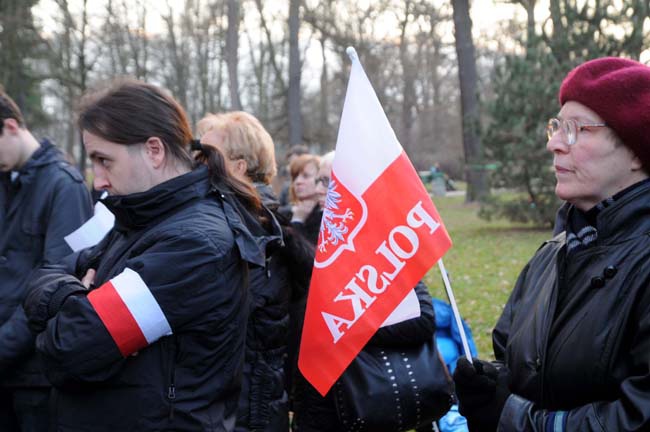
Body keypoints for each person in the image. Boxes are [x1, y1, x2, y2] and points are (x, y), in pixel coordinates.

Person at [22, 80, 262, 431]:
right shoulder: (141, 217)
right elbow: (48, 272)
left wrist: (75, 302)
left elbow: (69, 348)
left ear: (154, 150)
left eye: (104, 161)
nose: (98, 180)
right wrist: (80, 299)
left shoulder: (193, 245)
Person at [453, 57, 650, 431]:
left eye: (576, 129)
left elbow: (638, 417)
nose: (555, 144)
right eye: (556, 127)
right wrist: (490, 385)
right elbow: (509, 352)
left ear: (637, 150)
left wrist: (514, 418)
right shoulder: (552, 254)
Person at [291, 151, 437, 431]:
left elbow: (423, 319)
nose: (319, 190)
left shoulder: (384, 247)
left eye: (327, 181)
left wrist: (351, 331)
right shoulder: (314, 236)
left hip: (369, 400)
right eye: (319, 181)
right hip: (316, 401)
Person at [197, 111, 314, 432]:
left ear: (238, 167)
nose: (195, 164)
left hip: (246, 411)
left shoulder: (255, 231)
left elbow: (243, 326)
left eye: (205, 156)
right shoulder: (230, 222)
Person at [0, 89, 92, 431]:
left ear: (11, 126)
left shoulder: (64, 186)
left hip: (36, 378)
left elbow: (57, 286)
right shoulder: (6, 180)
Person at [279, 154, 322, 244]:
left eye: (306, 176)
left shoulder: (326, 218)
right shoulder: (286, 214)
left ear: (320, 179)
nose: (298, 181)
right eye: (295, 177)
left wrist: (297, 221)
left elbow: (309, 256)